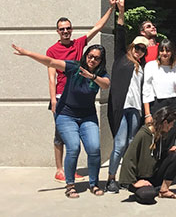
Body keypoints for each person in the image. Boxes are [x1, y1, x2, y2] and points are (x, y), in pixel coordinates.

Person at [13, 42, 110, 198]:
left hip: (88, 116)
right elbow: (51, 62)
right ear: (86, 55)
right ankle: (70, 185)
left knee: (94, 148)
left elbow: (106, 85)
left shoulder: (101, 74)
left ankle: (94, 183)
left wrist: (92, 76)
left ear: (101, 61)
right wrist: (28, 53)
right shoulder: (74, 67)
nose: (92, 60)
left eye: (96, 58)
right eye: (90, 56)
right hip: (66, 114)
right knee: (73, 147)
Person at [46, 0, 116, 182]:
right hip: (62, 95)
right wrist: (53, 99)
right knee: (61, 134)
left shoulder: (79, 44)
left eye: (68, 28)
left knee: (73, 138)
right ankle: (60, 169)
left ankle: (69, 169)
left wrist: (111, 8)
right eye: (62, 29)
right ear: (57, 31)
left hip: (79, 94)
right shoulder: (53, 50)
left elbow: (98, 26)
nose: (66, 31)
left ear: (72, 29)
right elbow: (51, 77)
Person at [106, 0, 150, 193]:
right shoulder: (121, 58)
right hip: (122, 108)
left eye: (143, 49)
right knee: (120, 144)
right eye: (137, 47)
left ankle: (127, 178)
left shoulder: (142, 66)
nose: (139, 51)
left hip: (135, 109)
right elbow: (120, 32)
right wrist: (120, 11)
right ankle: (111, 178)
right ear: (132, 46)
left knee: (132, 145)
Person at [119, 107, 176, 200]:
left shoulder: (159, 133)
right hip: (141, 178)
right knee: (148, 195)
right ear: (165, 123)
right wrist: (133, 182)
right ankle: (144, 190)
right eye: (171, 124)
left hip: (154, 174)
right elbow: (128, 157)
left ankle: (163, 190)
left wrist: (168, 153)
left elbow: (155, 155)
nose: (171, 127)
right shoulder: (143, 134)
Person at [142, 39, 176, 150]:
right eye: (162, 50)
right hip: (157, 103)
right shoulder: (151, 66)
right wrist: (147, 114)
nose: (165, 53)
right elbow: (146, 89)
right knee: (157, 135)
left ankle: (168, 163)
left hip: (173, 103)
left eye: (168, 50)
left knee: (171, 136)